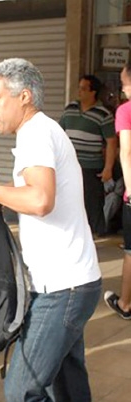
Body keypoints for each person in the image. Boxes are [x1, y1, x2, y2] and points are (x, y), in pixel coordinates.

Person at [0, 57, 101, 402]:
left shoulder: (35, 134)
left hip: (60, 289)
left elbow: (40, 199)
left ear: (25, 97)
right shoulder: (45, 130)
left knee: (23, 390)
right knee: (68, 382)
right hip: (74, 281)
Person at [59, 74, 117, 236]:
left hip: (91, 167)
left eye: (84, 88)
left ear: (93, 92)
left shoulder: (103, 114)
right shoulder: (70, 109)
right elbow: (59, 133)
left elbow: (111, 143)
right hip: (69, 166)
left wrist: (108, 168)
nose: (79, 91)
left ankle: (96, 235)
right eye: (79, 87)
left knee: (92, 203)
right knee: (69, 201)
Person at [104, 63, 131, 320]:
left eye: (123, 83)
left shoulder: (125, 111)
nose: (122, 89)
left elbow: (126, 151)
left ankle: (125, 304)